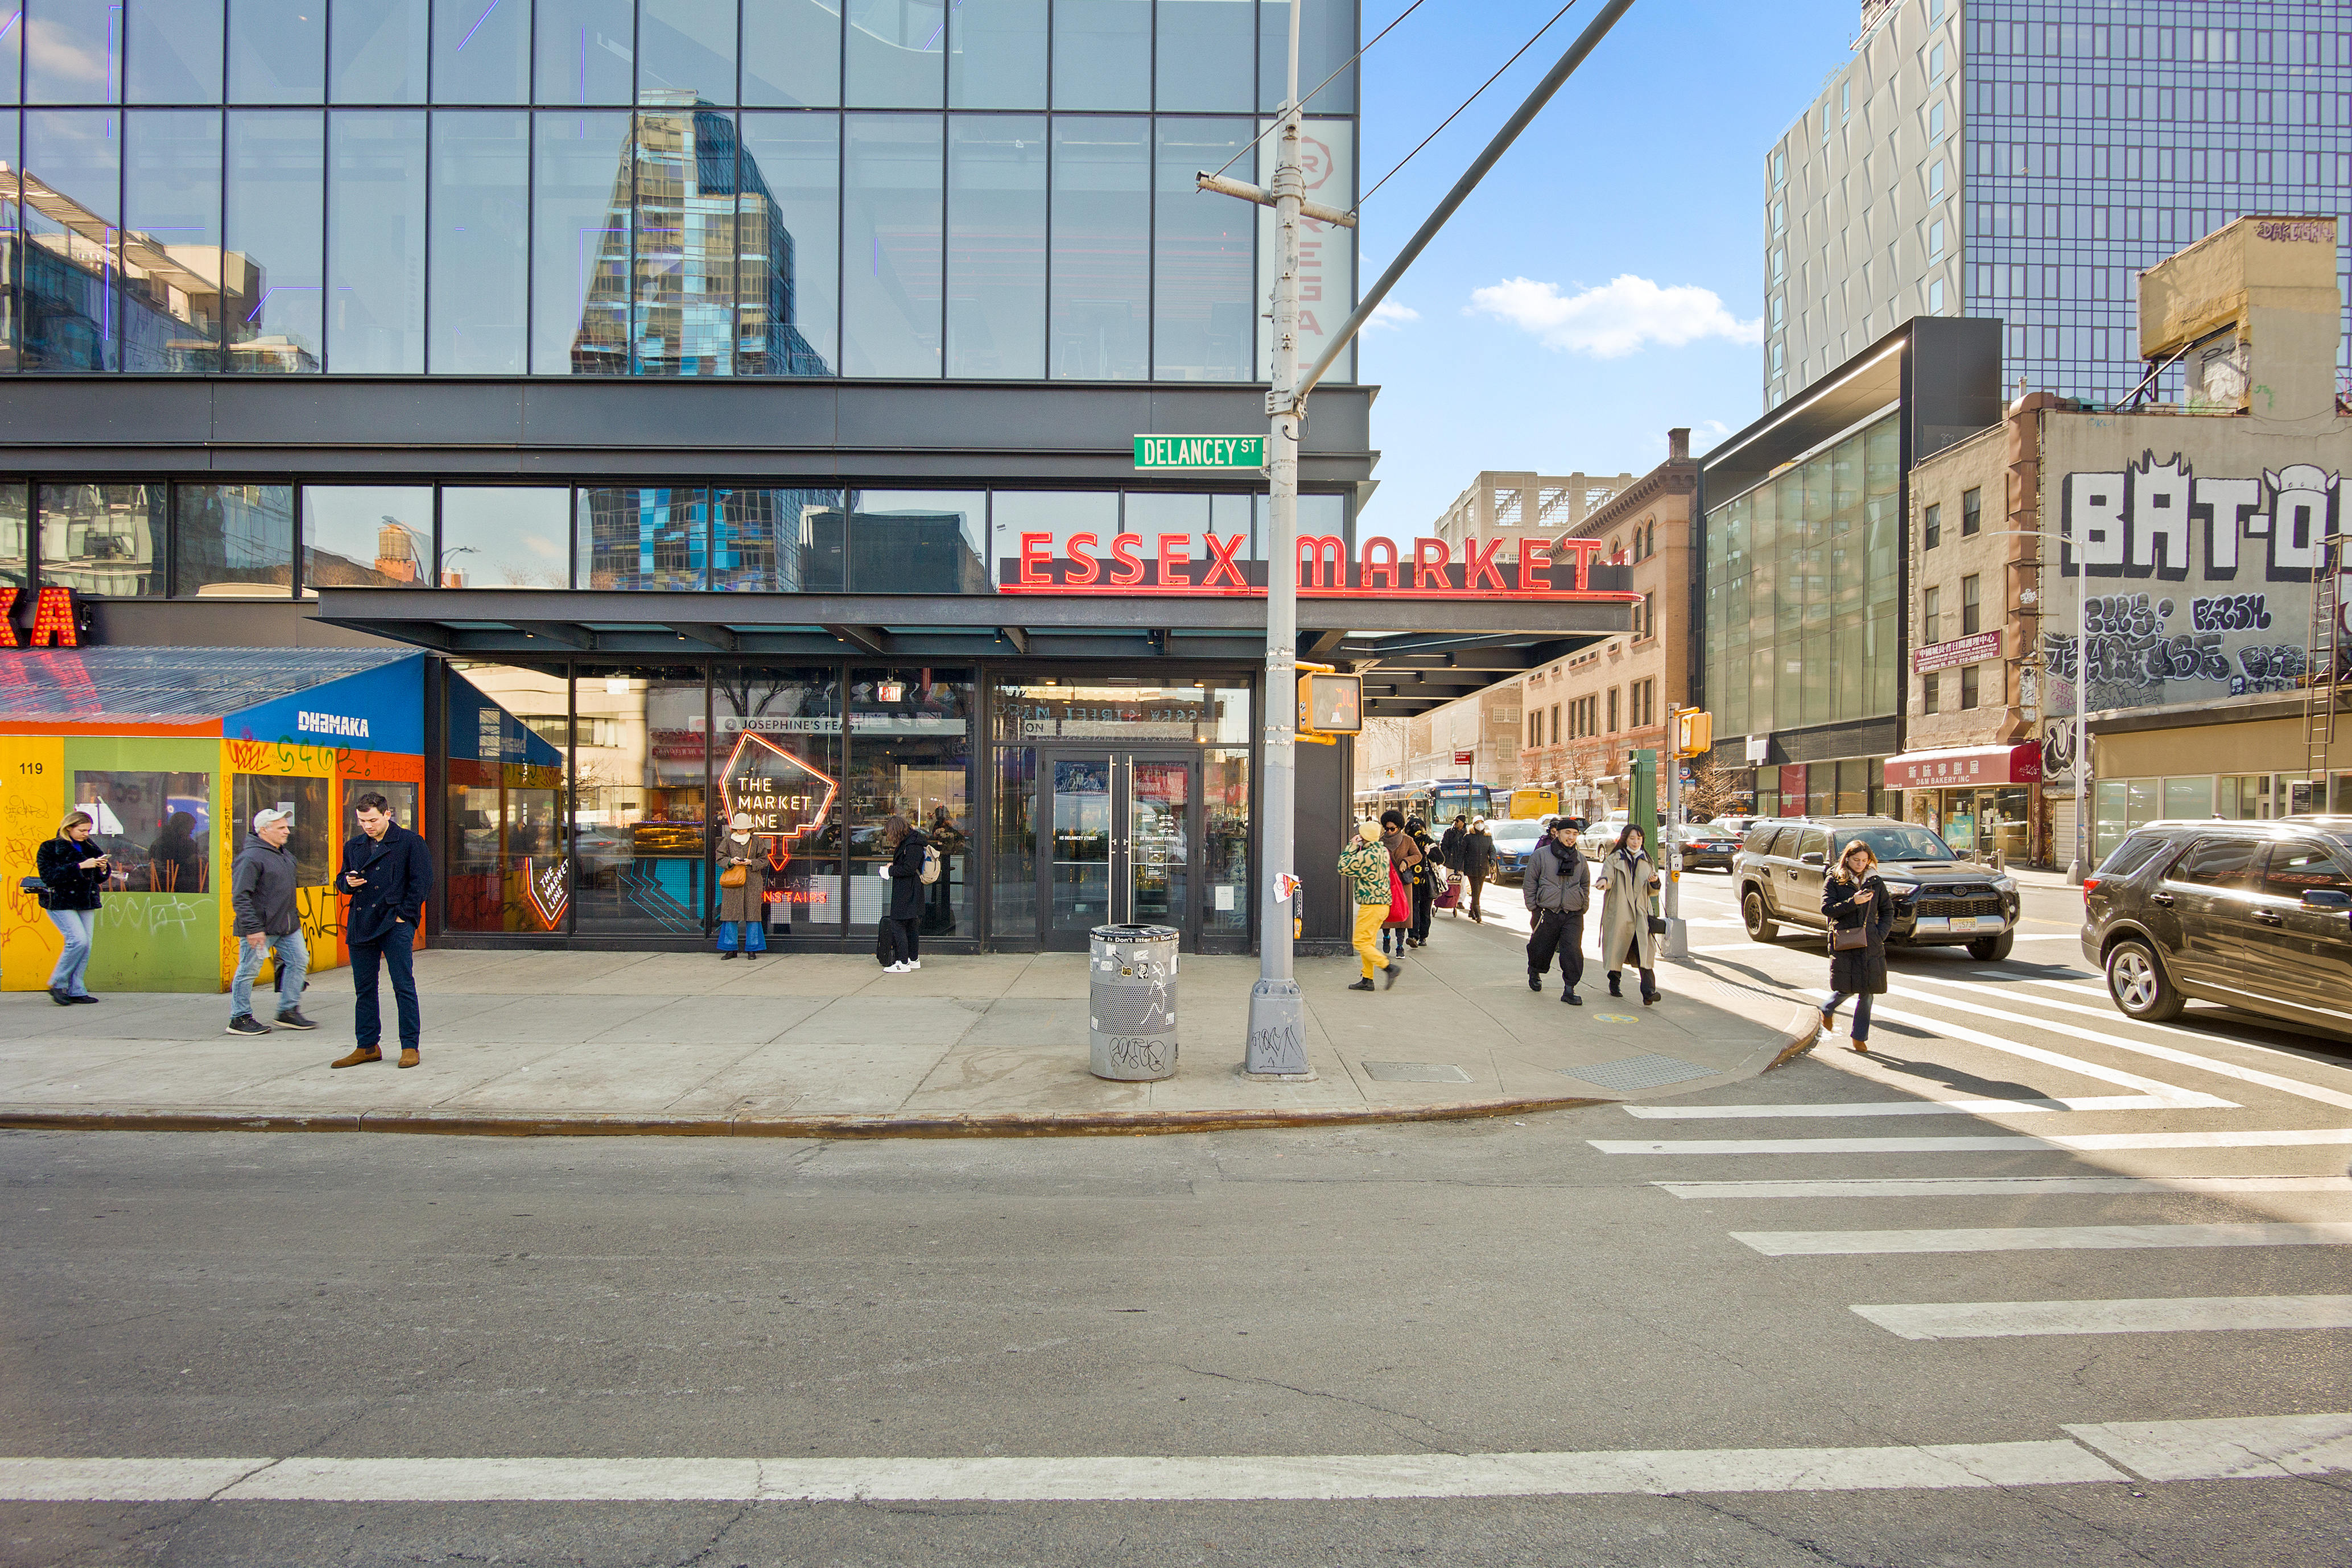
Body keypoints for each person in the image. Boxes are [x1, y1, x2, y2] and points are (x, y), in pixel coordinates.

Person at [331, 793, 432, 1068]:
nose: (367, 825)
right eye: (362, 820)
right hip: (362, 921)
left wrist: (405, 916)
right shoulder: (354, 846)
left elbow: (422, 882)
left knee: (403, 985)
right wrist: (347, 883)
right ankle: (367, 1046)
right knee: (364, 988)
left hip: (394, 921)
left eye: (373, 820)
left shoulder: (411, 842)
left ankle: (410, 1046)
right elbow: (341, 879)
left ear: (388, 815)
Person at [226, 807, 312, 1035]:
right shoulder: (250, 858)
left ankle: (287, 1010)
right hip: (260, 929)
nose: (287, 831)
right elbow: (240, 896)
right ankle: (239, 1017)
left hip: (287, 926)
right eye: (281, 828)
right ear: (264, 830)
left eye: (286, 826)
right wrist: (253, 929)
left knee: (299, 960)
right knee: (248, 971)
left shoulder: (283, 854)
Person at [1821, 839, 1896, 1053]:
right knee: (1846, 988)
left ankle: (1859, 1037)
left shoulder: (1875, 881)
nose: (1860, 864)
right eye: (1856, 860)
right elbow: (1827, 909)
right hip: (1845, 941)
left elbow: (1887, 911)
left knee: (1868, 991)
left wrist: (1880, 934)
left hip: (1871, 942)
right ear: (1848, 859)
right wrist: (1853, 902)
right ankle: (1827, 1009)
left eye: (1864, 860)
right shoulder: (1835, 880)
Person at [35, 809, 109, 1005]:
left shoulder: (91, 847)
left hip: (86, 900)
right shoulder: (50, 848)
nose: (86, 834)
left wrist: (102, 869)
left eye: (89, 830)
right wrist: (80, 866)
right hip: (60, 901)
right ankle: (57, 983)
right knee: (78, 941)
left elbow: (99, 878)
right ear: (69, 828)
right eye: (83, 830)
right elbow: (49, 877)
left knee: (86, 946)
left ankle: (77, 989)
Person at [1523, 819, 1592, 1005]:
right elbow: (1530, 882)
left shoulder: (1580, 859)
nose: (1571, 838)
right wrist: (1534, 907)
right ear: (1558, 834)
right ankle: (1535, 971)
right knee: (1541, 947)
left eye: (1575, 834)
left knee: (1572, 950)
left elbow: (1585, 884)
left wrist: (1583, 905)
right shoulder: (1541, 855)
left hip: (1573, 913)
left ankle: (1570, 988)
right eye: (1568, 833)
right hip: (1547, 911)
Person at [1595, 822, 1662, 1005]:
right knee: (1618, 949)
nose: (1636, 842)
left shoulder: (1647, 860)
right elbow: (1608, 876)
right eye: (1632, 838)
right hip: (1620, 911)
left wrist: (1655, 882)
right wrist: (1604, 882)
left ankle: (1649, 993)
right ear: (1625, 839)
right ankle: (1614, 982)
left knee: (1645, 954)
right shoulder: (1615, 859)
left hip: (1640, 912)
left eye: (1639, 838)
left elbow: (1651, 891)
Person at [1339, 819, 1402, 992]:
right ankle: (1367, 979)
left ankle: (1389, 968)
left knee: (1360, 942)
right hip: (1382, 905)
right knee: (1368, 943)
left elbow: (1342, 867)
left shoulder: (1368, 855)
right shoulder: (1382, 851)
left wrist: (1352, 846)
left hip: (1371, 905)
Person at [877, 812, 928, 973]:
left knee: (898, 924)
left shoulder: (911, 844)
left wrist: (890, 870)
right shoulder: (913, 841)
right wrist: (894, 865)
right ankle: (913, 960)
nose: (889, 836)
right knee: (911, 925)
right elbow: (909, 866)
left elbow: (908, 869)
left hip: (907, 889)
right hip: (912, 888)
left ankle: (903, 962)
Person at [715, 812, 765, 960]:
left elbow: (764, 860)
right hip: (733, 883)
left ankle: (752, 949)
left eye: (744, 829)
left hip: (752, 883)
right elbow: (719, 857)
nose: (742, 831)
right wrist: (731, 861)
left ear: (749, 828)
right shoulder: (728, 841)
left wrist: (750, 862)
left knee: (753, 916)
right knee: (730, 916)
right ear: (734, 829)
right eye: (739, 829)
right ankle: (731, 949)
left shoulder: (757, 841)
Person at [1377, 809, 1422, 958]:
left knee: (1402, 916)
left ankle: (1400, 947)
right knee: (1387, 916)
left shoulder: (1408, 840)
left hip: (1403, 884)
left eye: (1392, 829)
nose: (1389, 832)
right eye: (1387, 829)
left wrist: (1406, 861)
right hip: (1386, 884)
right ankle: (1386, 938)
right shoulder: (1380, 842)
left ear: (1399, 828)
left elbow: (1418, 856)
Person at [923, 805, 965, 935]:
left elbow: (959, 835)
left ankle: (942, 914)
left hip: (946, 856)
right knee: (937, 887)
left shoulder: (952, 824)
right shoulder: (937, 824)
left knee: (940, 887)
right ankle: (938, 915)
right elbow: (932, 836)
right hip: (938, 857)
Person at [147, 810, 205, 893]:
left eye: (192, 830)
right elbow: (163, 868)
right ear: (180, 828)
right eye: (189, 830)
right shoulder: (163, 844)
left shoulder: (188, 842)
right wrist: (188, 862)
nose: (191, 833)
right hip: (170, 887)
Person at [1405, 816, 1437, 948]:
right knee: (1419, 910)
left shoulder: (1424, 841)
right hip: (1417, 882)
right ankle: (1418, 936)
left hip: (1419, 882)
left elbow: (1440, 858)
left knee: (1419, 911)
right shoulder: (1411, 842)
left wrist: (1428, 853)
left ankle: (1418, 936)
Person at [1458, 815, 1495, 923]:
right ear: (1473, 825)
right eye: (1478, 823)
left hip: (1483, 868)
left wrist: (1492, 859)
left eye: (1481, 822)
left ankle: (1472, 910)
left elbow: (1492, 850)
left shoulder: (1487, 837)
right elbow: (1461, 853)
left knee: (1478, 891)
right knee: (1476, 889)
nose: (1480, 825)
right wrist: (1458, 868)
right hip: (1471, 868)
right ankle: (1478, 912)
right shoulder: (1468, 837)